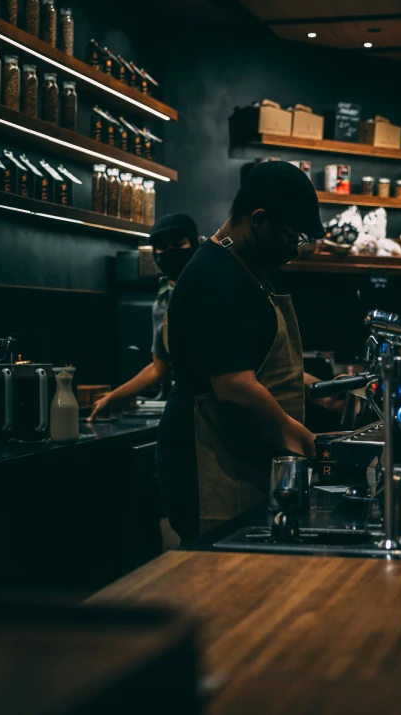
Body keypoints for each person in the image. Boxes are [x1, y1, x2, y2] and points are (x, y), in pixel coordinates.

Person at [156, 161, 327, 538]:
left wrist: (320, 392)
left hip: (238, 452)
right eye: (291, 236)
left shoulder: (247, 268)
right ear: (259, 219)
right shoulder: (213, 276)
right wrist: (305, 441)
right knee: (215, 584)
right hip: (206, 461)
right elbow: (235, 387)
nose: (294, 250)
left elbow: (255, 361)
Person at [88, 213, 199, 422]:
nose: (170, 252)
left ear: (195, 244)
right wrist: (113, 397)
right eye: (162, 247)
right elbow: (159, 369)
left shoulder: (210, 289)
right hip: (183, 408)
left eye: (178, 243)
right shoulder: (162, 303)